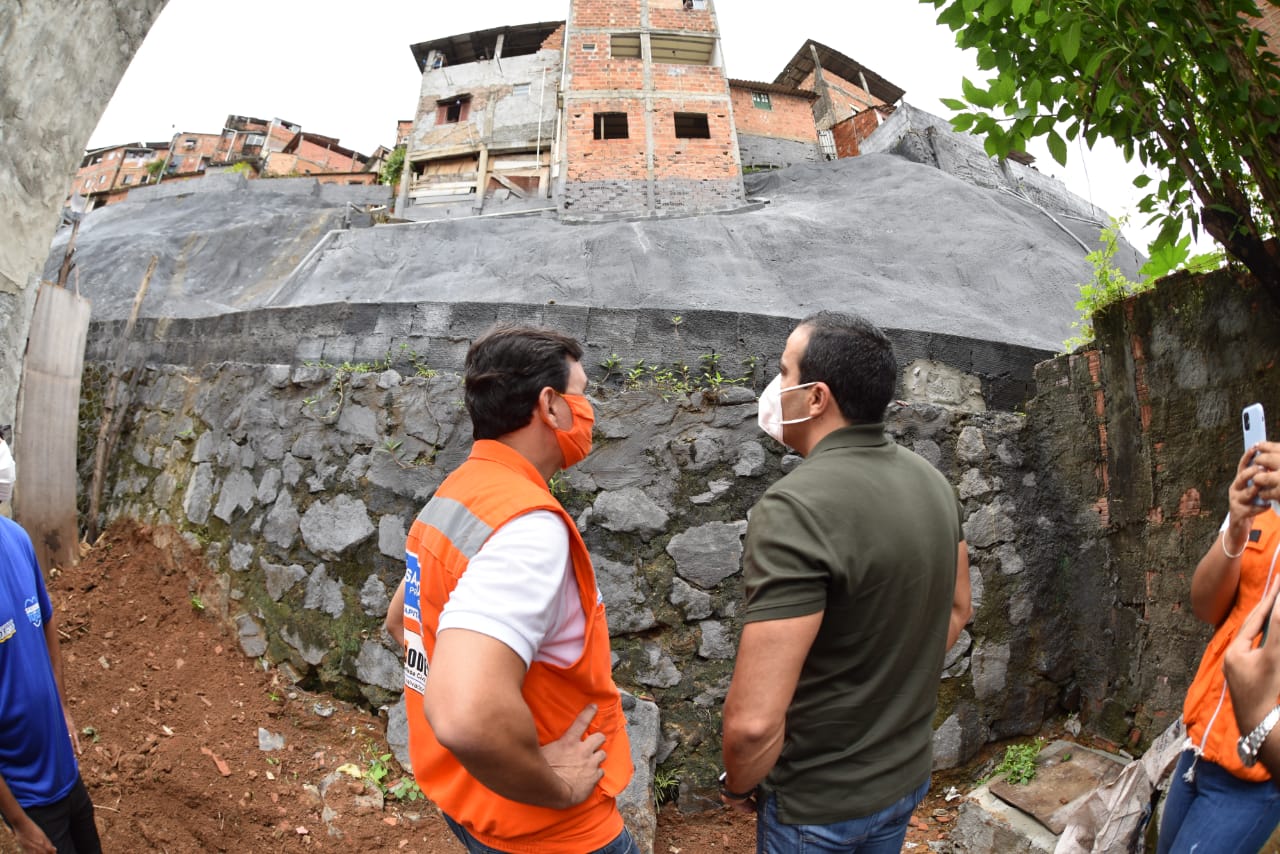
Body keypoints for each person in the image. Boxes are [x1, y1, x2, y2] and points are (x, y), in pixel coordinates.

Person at [720, 311, 971, 853]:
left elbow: (754, 725)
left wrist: (738, 782)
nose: (775, 386)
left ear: (816, 398)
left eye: (784, 372)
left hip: (819, 804)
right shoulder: (933, 482)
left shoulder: (794, 507)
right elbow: (956, 610)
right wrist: (882, 687)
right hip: (903, 778)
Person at [391, 325, 636, 854]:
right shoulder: (527, 527)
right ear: (550, 405)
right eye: (583, 392)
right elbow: (465, 718)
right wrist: (554, 785)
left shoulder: (456, 492)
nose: (589, 408)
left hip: (469, 802)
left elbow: (402, 622)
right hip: (551, 831)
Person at [1157, 441, 1280, 853]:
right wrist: (1236, 532)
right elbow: (1206, 606)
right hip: (1202, 744)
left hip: (1257, 768)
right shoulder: (1265, 495)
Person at [0, 439, 101, 854]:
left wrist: (63, 706)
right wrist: (20, 824)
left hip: (64, 767)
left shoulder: (17, 539)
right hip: (29, 794)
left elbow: (46, 621)